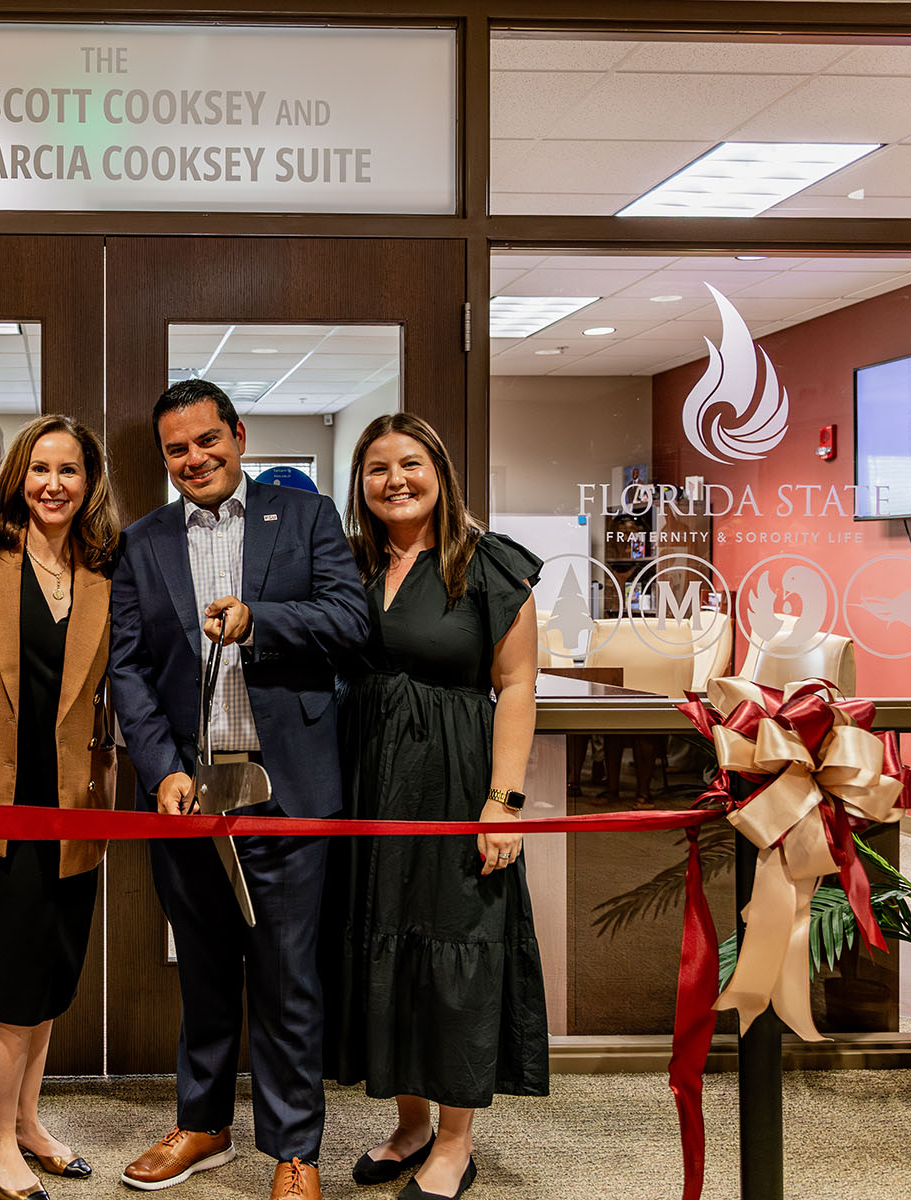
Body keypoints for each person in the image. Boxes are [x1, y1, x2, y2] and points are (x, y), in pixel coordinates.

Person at [109, 380, 368, 1200]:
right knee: (205, 971)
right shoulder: (142, 541)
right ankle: (204, 1124)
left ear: (239, 436)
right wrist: (163, 768)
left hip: (287, 793)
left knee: (290, 974)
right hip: (192, 800)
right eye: (177, 450)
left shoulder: (305, 517)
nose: (195, 459)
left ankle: (295, 1148)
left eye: (207, 441)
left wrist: (261, 619)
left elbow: (349, 620)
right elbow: (130, 671)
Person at [322, 413, 548, 1200]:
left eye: (410, 463)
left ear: (441, 471)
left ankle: (455, 1141)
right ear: (361, 485)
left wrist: (503, 802)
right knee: (387, 944)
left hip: (455, 781)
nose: (395, 481)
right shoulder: (348, 563)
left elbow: (517, 685)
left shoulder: (488, 565)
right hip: (367, 784)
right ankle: (410, 1124)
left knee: (455, 943)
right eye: (377, 468)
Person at [0, 415, 121, 1200]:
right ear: (18, 474)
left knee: (49, 977)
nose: (55, 484)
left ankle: (26, 1122)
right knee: (11, 986)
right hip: (2, 801)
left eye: (71, 471)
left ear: (90, 483)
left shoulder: (101, 569)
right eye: (41, 468)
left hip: (76, 805)